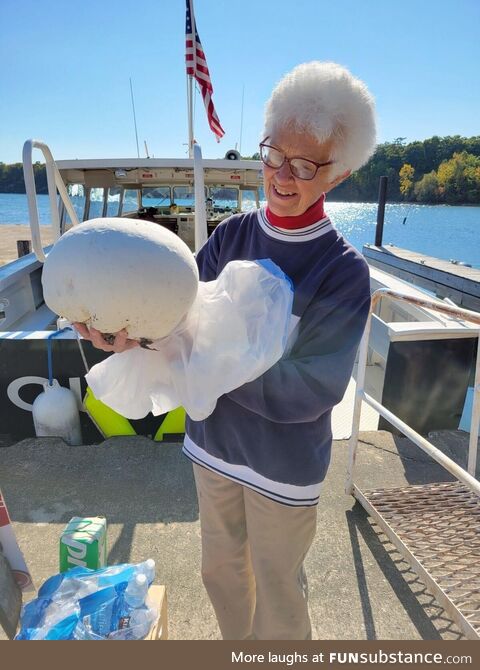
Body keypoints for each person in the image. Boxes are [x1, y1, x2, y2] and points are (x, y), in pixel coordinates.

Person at [75, 61, 377, 640]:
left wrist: (207, 365)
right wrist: (126, 335)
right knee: (220, 575)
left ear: (337, 175)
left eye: (305, 164)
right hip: (212, 449)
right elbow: (174, 321)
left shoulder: (343, 272)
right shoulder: (231, 236)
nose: (282, 175)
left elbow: (312, 392)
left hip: (283, 470)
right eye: (272, 155)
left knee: (280, 591)